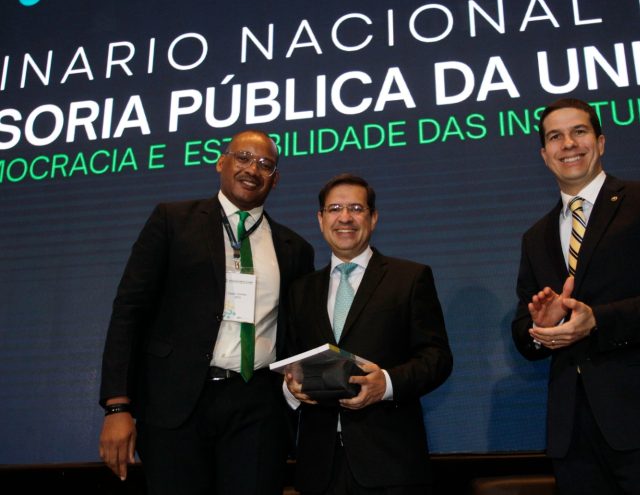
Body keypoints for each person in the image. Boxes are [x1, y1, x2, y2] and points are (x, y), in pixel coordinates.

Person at [511, 98, 640, 494]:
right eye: (555, 137)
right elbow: (524, 332)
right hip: (574, 438)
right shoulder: (535, 237)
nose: (568, 144)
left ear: (601, 142)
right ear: (544, 155)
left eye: (579, 131)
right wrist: (542, 328)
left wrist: (598, 321)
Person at [98, 130, 315, 495]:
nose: (253, 170)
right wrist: (117, 406)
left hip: (257, 408)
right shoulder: (172, 220)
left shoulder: (296, 249)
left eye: (265, 164)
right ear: (221, 162)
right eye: (243, 157)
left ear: (275, 180)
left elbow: (296, 332)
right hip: (176, 405)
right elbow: (129, 310)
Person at [283, 173, 453, 495]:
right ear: (320, 219)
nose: (345, 217)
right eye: (334, 209)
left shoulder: (409, 278)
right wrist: (291, 389)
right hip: (319, 469)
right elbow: (289, 359)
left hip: (390, 465)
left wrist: (385, 384)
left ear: (373, 218)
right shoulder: (300, 290)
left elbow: (437, 358)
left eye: (356, 208)